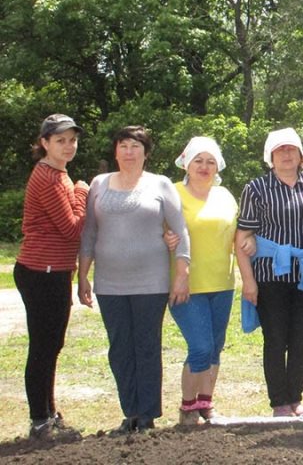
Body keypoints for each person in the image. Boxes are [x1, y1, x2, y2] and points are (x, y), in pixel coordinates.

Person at [78, 126, 190, 434]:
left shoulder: (160, 184)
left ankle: (148, 414)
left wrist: (182, 273)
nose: (129, 151)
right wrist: (83, 275)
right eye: (123, 146)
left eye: (135, 146)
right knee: (120, 348)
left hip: (150, 282)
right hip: (109, 283)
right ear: (115, 151)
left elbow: (180, 232)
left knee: (146, 346)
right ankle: (130, 413)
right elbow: (89, 233)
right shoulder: (99, 184)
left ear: (145, 152)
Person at [235, 128, 303, 417]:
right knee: (275, 339)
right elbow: (242, 237)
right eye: (280, 150)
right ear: (270, 157)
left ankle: (296, 398)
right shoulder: (256, 188)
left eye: (291, 149)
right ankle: (279, 402)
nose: (286, 154)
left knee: (301, 337)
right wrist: (248, 281)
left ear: (301, 156)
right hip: (270, 276)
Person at [14, 114, 89, 439]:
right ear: (44, 143)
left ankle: (49, 413)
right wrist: (84, 192)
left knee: (51, 345)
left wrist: (75, 190)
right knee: (43, 347)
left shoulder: (59, 175)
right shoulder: (48, 176)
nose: (68, 146)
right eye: (60, 140)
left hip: (54, 271)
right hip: (41, 272)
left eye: (72, 139)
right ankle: (40, 420)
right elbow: (72, 229)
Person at [168, 137, 241, 425]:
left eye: (210, 161)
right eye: (198, 160)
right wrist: (164, 238)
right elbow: (154, 229)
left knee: (214, 347)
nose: (204, 166)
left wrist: (246, 244)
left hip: (222, 284)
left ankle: (206, 403)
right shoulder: (172, 194)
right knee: (199, 347)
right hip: (185, 285)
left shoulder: (225, 196)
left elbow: (237, 233)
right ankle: (187, 407)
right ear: (186, 162)